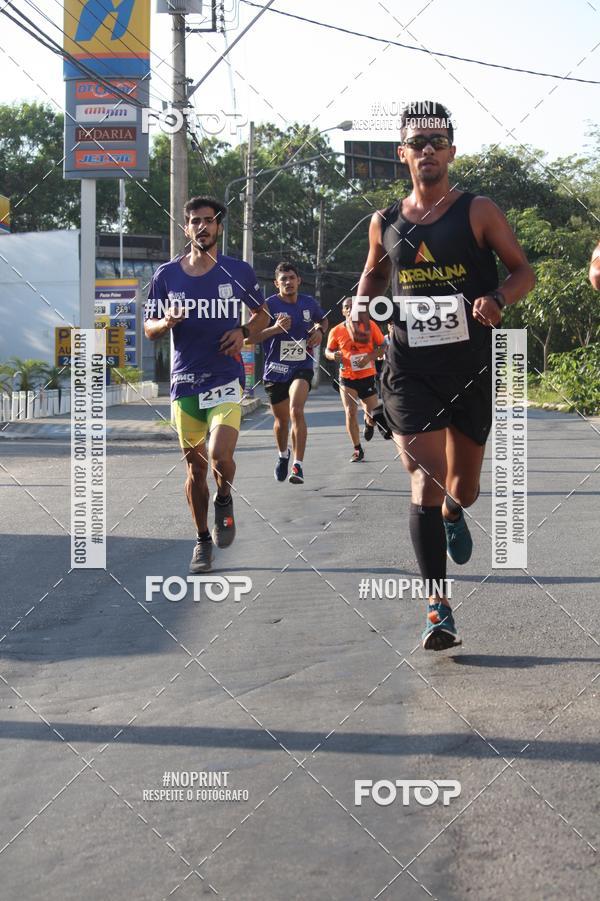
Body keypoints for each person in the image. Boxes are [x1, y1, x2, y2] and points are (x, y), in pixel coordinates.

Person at [357, 103, 535, 650]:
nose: (428, 149)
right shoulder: (385, 221)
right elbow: (374, 276)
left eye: (437, 140)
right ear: (402, 154)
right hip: (409, 367)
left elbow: (523, 271)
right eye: (418, 142)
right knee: (425, 478)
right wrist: (361, 307)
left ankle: (455, 512)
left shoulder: (478, 211)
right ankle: (438, 607)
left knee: (463, 489)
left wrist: (497, 297)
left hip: (469, 367)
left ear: (452, 152)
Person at [144, 195, 270, 574]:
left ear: (218, 227)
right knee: (195, 471)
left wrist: (243, 332)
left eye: (209, 220)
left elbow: (263, 314)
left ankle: (225, 496)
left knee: (220, 455)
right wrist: (166, 322)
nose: (202, 226)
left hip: (226, 378)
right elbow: (148, 328)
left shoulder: (238, 271)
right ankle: (202, 541)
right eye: (195, 221)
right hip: (184, 384)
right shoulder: (166, 275)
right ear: (187, 228)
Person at [255, 262, 328, 484]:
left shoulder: (308, 302)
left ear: (298, 281)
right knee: (281, 421)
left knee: (296, 410)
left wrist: (320, 330)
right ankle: (283, 455)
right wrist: (275, 329)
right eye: (283, 279)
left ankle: (298, 465)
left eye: (291, 278)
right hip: (275, 371)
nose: (288, 282)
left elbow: (323, 319)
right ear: (276, 283)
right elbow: (251, 337)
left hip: (301, 366)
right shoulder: (268, 306)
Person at [325, 297, 387, 461]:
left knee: (373, 415)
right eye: (347, 307)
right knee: (350, 411)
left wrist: (369, 357)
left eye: (353, 306)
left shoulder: (370, 326)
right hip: (347, 377)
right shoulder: (336, 331)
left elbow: (383, 346)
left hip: (367, 376)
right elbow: (327, 351)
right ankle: (357, 449)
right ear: (343, 311)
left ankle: (368, 423)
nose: (350, 309)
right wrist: (333, 355)